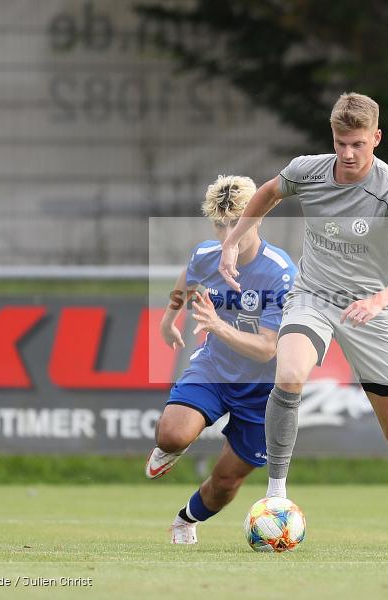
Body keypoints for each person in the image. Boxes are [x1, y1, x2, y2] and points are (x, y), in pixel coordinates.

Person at [218, 92, 388, 550]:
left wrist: (380, 299)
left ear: (376, 139)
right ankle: (276, 498)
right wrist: (234, 239)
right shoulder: (308, 169)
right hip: (313, 297)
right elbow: (268, 192)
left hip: (370, 310)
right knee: (288, 374)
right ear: (333, 137)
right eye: (341, 142)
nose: (347, 153)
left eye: (358, 144)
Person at [145, 175, 297, 545]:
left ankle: (185, 520)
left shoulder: (280, 271)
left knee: (226, 482)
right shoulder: (207, 255)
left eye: (237, 222)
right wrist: (168, 319)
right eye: (220, 223)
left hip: (262, 390)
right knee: (172, 433)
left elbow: (267, 349)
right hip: (213, 367)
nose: (229, 231)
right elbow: (188, 277)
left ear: (257, 218)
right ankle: (171, 448)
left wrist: (217, 325)